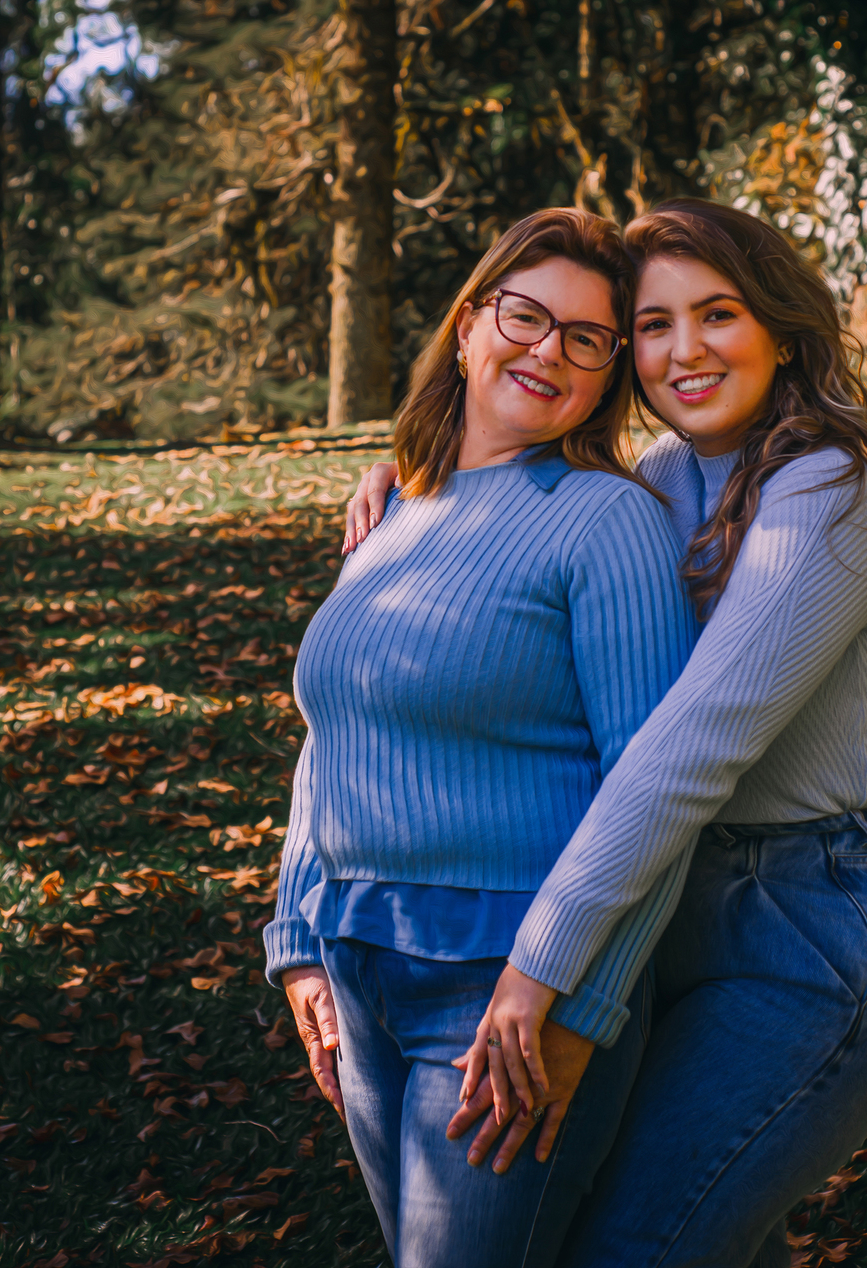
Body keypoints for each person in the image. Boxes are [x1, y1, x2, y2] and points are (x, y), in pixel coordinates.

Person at [343, 197, 867, 1268]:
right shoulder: (663, 478)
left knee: (638, 1243)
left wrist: (544, 963)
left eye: (719, 314)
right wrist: (420, 492)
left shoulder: (827, 490)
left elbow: (690, 743)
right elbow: (532, 517)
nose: (684, 350)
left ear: (782, 329)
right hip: (673, 909)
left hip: (808, 924)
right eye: (655, 325)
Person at [264, 208, 699, 1268]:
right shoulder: (398, 508)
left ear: (605, 375)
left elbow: (655, 795)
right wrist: (296, 942)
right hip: (357, 961)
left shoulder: (608, 521)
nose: (547, 349)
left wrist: (583, 1004)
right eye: (525, 315)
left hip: (508, 987)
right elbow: (334, 736)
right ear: (468, 325)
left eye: (586, 338)